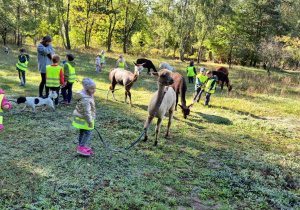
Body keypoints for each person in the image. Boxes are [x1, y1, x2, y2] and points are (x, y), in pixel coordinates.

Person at [72, 78, 96, 156]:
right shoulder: (86, 99)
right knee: (88, 133)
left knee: (82, 132)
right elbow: (87, 112)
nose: (94, 90)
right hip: (85, 119)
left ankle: (81, 146)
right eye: (92, 89)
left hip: (82, 118)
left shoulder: (86, 95)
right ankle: (81, 148)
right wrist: (90, 122)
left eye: (95, 88)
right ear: (86, 88)